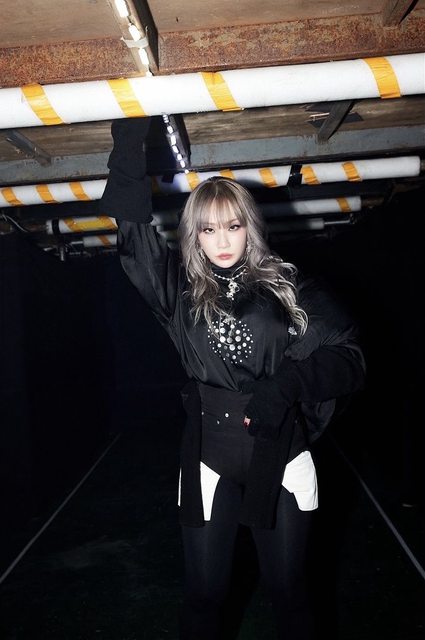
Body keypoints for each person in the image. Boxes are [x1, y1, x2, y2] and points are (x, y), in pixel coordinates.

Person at [99, 116, 366, 640]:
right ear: (195, 234)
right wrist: (128, 137)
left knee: (289, 594)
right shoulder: (177, 289)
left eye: (233, 226)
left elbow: (349, 355)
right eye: (208, 228)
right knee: (203, 596)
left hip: (282, 453)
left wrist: (286, 385)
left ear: (250, 227)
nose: (222, 240)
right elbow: (131, 231)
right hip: (208, 456)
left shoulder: (288, 285)